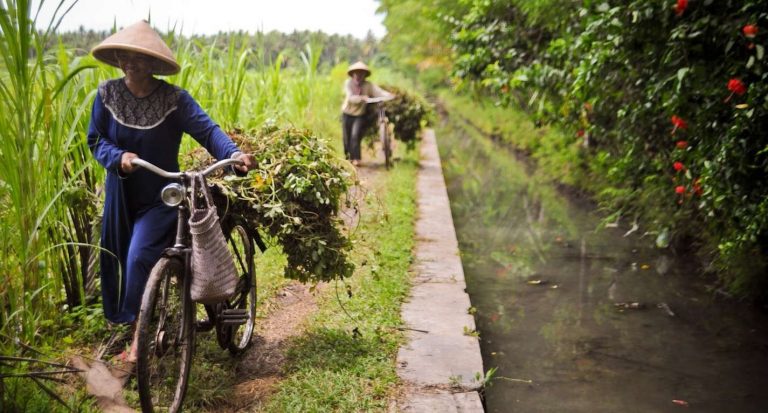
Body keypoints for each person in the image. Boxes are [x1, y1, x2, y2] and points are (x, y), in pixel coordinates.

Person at [87, 20, 255, 364]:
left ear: (153, 63)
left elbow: (208, 131)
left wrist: (233, 154)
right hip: (120, 194)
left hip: (162, 196)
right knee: (117, 258)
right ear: (118, 58)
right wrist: (118, 157)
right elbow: (95, 140)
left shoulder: (174, 99)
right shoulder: (106, 95)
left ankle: (137, 344)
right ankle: (134, 321)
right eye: (125, 56)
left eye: (139, 57)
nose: (130, 62)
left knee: (137, 256)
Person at [341, 61, 394, 166]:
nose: (359, 75)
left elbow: (379, 92)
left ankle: (357, 159)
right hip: (347, 113)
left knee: (355, 135)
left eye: (361, 73)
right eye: (357, 73)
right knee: (346, 137)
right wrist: (361, 98)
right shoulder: (348, 84)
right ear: (353, 74)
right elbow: (350, 98)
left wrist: (389, 95)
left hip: (359, 115)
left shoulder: (368, 85)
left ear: (364, 75)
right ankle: (348, 157)